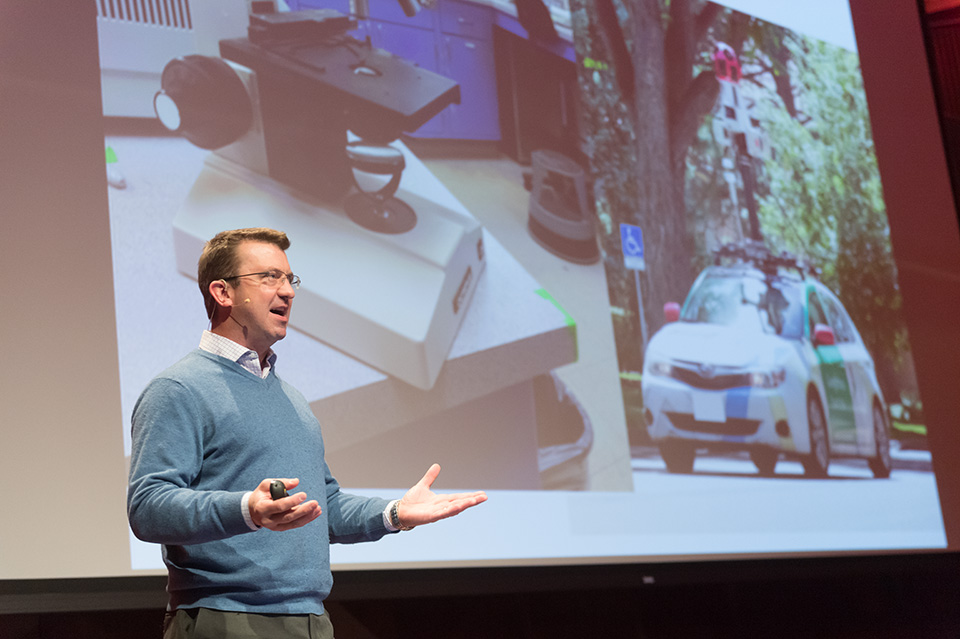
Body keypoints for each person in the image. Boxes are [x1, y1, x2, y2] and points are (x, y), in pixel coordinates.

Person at [127, 227, 487, 638]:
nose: (287, 291)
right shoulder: (179, 389)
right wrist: (248, 508)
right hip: (225, 618)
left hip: (311, 621)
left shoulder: (292, 401)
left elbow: (322, 508)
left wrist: (393, 515)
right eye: (268, 278)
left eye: (289, 279)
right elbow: (148, 506)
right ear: (223, 293)